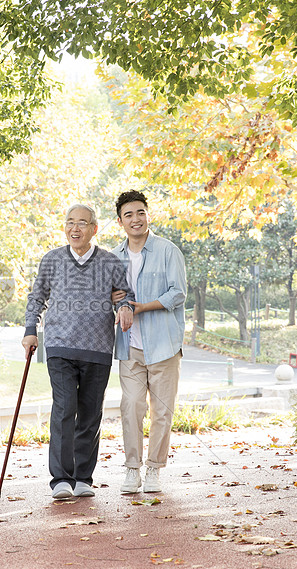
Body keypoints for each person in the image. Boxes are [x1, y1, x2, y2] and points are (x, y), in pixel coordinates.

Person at [23, 204, 134, 499]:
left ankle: (83, 477)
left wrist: (124, 307)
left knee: (89, 414)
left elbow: (126, 294)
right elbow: (37, 298)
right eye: (70, 222)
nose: (75, 228)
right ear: (65, 227)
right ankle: (61, 478)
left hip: (97, 348)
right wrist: (30, 331)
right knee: (64, 408)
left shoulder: (110, 262)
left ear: (94, 229)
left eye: (82, 223)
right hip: (59, 345)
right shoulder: (51, 260)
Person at [111, 190, 187, 494]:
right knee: (130, 406)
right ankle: (132, 469)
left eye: (140, 212)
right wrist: (117, 302)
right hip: (129, 346)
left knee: (162, 411)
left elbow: (177, 293)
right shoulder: (113, 258)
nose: (135, 219)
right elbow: (109, 297)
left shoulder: (168, 251)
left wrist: (141, 306)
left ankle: (154, 469)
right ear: (120, 221)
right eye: (128, 214)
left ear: (148, 215)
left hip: (164, 345)